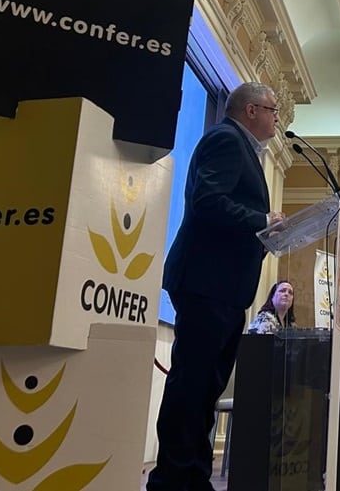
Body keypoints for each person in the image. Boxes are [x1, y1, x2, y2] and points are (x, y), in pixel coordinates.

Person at [148, 82, 285, 491]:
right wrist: (263, 221)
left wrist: (267, 230)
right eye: (274, 110)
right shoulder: (226, 140)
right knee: (192, 387)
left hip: (223, 287)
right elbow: (207, 202)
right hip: (206, 282)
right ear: (251, 111)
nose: (278, 119)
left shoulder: (242, 148)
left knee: (205, 390)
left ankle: (194, 477)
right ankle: (171, 480)